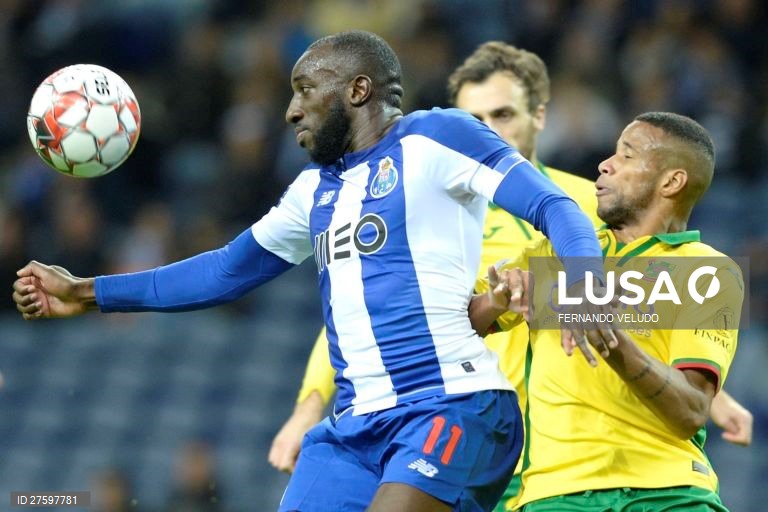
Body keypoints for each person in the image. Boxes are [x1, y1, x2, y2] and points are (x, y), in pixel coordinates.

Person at [12, 31, 611, 512]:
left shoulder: (439, 136)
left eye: (304, 89)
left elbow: (554, 206)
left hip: (452, 405)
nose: (290, 108)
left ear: (356, 89)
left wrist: (582, 284)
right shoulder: (311, 193)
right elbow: (224, 271)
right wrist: (87, 292)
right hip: (351, 430)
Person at [267, 41, 754, 511]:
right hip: (478, 447)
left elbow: (664, 326)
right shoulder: (421, 209)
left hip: (605, 471)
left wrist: (717, 392)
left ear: (537, 117)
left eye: (501, 115)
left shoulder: (582, 212)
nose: (484, 131)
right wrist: (308, 407)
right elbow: (367, 311)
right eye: (471, 119)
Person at [483, 112, 744, 511]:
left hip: (672, 491)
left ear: (671, 182)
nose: (605, 165)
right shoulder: (558, 253)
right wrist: (497, 299)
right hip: (557, 494)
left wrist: (611, 338)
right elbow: (460, 321)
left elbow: (691, 411)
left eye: (627, 155)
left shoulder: (707, 271)